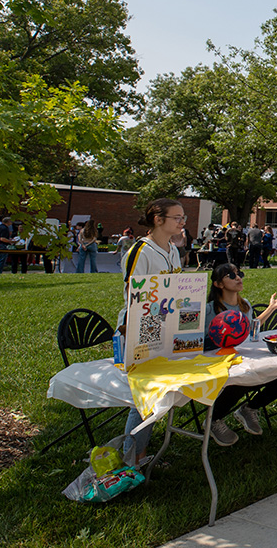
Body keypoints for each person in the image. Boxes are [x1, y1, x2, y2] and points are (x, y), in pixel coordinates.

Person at [119, 198, 185, 463]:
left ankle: (141, 453)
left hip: (167, 325)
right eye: (177, 217)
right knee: (144, 395)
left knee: (159, 391)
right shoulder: (140, 251)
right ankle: (131, 459)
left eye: (183, 218)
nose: (182, 222)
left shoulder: (172, 249)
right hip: (142, 326)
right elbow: (132, 294)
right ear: (158, 220)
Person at [202, 263, 277, 445]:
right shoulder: (210, 310)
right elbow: (201, 341)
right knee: (245, 379)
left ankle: (249, 408)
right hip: (218, 361)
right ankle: (213, 420)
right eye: (231, 275)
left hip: (244, 356)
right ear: (218, 284)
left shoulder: (245, 306)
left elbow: (249, 329)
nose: (238, 278)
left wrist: (272, 308)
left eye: (239, 274)